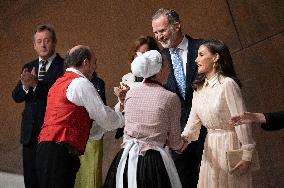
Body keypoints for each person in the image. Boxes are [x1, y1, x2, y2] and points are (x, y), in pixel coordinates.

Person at [35, 45, 125, 188]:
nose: (96, 66)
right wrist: (125, 118)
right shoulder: (81, 83)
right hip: (59, 153)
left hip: (48, 150)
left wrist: (118, 111)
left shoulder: (58, 83)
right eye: (94, 62)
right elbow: (104, 118)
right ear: (85, 62)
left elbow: (93, 129)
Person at [104, 50, 188, 188]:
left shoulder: (131, 93)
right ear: (160, 70)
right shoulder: (170, 98)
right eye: (166, 66)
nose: (168, 69)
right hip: (153, 161)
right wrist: (182, 144)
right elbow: (175, 142)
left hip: (127, 157)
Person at [181, 39, 257, 187]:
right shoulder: (199, 88)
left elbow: (241, 121)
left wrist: (247, 154)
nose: (196, 60)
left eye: (201, 55)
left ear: (215, 57)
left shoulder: (227, 84)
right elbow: (193, 122)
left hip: (230, 145)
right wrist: (183, 139)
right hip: (211, 146)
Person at [151, 8, 207, 187]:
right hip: (178, 138)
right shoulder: (160, 62)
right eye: (155, 32)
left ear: (177, 25)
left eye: (162, 30)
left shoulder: (203, 48)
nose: (159, 36)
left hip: (208, 130)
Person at [11, 24, 64, 188]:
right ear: (34, 45)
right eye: (39, 41)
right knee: (31, 179)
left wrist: (36, 84)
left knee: (49, 180)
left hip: (51, 133)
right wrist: (26, 87)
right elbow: (16, 96)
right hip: (29, 133)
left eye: (47, 41)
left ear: (54, 42)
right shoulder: (28, 66)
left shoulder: (63, 66)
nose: (43, 45)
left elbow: (59, 97)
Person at [114, 36, 160, 138]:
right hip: (131, 134)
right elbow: (119, 113)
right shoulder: (126, 78)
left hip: (152, 133)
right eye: (137, 54)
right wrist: (122, 100)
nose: (140, 58)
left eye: (144, 54)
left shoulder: (161, 79)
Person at [75, 71, 106, 188]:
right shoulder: (73, 82)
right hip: (75, 137)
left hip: (93, 135)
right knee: (77, 174)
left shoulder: (98, 83)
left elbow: (102, 110)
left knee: (92, 174)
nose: (95, 65)